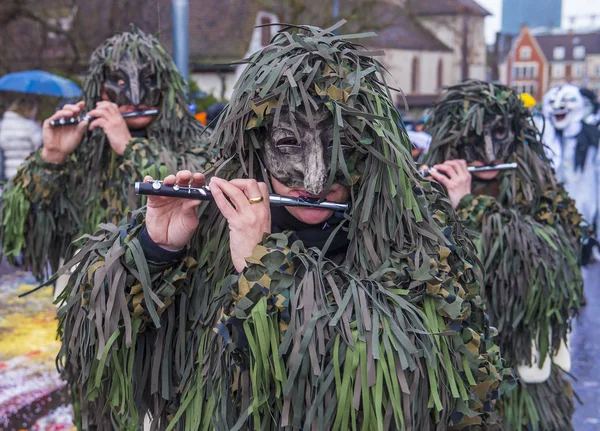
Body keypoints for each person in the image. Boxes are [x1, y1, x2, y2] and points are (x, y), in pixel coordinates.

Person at [57, 26, 503, 430]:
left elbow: (402, 381)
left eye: (340, 147)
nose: (313, 179)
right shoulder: (215, 219)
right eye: (288, 143)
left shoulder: (420, 235)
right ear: (255, 142)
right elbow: (91, 346)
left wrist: (262, 265)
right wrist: (156, 250)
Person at [423, 80, 585, 430]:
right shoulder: (425, 189)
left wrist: (469, 207)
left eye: (500, 136)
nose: (489, 153)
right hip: (456, 377)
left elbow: (551, 273)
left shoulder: (540, 192)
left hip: (524, 378)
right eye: (473, 139)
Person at [0, 26, 207, 280]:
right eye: (120, 83)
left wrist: (129, 147)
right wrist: (51, 157)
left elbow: (196, 195)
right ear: (100, 89)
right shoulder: (83, 143)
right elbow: (18, 225)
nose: (135, 96)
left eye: (148, 81)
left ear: (165, 86)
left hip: (172, 286)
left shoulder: (193, 137)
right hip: (90, 289)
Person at [543, 84, 600, 246]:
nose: (559, 106)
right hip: (550, 222)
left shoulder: (593, 139)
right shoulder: (546, 137)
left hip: (583, 220)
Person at [0, 97, 42, 180]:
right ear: (28, 109)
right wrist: (39, 129)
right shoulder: (30, 126)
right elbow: (39, 146)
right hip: (26, 171)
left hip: (7, 172)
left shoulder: (3, 123)